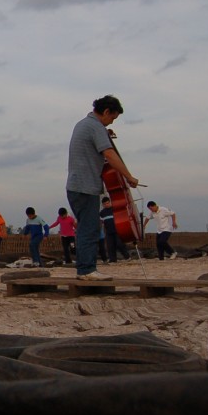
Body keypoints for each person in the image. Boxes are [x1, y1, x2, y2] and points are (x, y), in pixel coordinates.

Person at [66, 94, 139, 280]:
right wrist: (128, 176)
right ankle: (86, 270)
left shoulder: (83, 124)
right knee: (89, 229)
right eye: (112, 118)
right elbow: (109, 154)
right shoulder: (95, 126)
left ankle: (86, 269)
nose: (110, 123)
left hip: (77, 185)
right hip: (85, 185)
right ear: (106, 111)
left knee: (86, 227)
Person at [99, 196, 132, 262]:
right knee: (110, 246)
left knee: (120, 244)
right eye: (105, 204)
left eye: (107, 203)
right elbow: (101, 222)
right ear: (102, 205)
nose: (106, 205)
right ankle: (112, 259)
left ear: (110, 202)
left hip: (117, 230)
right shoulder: (102, 213)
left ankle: (127, 256)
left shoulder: (115, 209)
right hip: (108, 231)